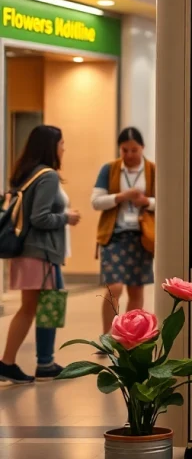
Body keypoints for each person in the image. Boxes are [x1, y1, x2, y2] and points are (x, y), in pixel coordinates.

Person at [0, 125, 81, 384]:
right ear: (51, 146)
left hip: (34, 252)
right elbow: (40, 217)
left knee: (47, 305)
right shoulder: (48, 176)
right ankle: (10, 362)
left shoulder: (26, 174)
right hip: (41, 252)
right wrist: (67, 217)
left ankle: (43, 361)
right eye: (61, 143)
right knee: (32, 307)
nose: (64, 148)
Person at [92, 127, 156, 336]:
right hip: (114, 236)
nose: (129, 155)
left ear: (142, 148)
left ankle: (128, 337)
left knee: (136, 289)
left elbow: (165, 203)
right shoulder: (109, 170)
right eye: (124, 150)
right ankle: (107, 336)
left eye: (133, 150)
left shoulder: (152, 170)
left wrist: (146, 202)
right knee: (115, 287)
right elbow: (96, 202)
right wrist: (121, 197)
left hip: (143, 237)